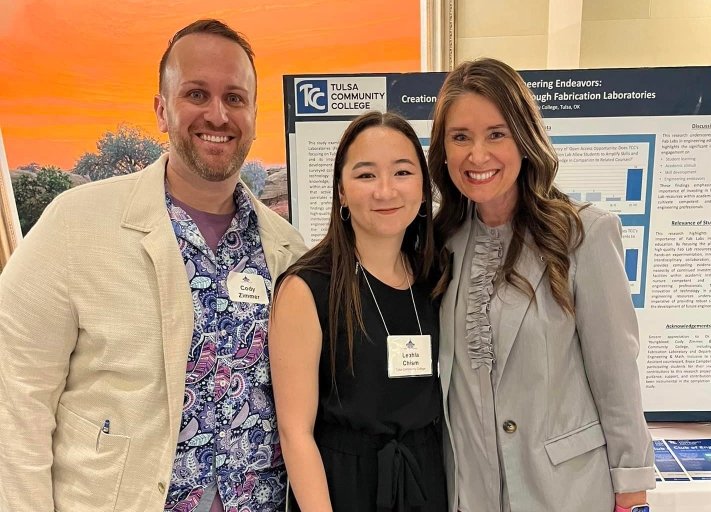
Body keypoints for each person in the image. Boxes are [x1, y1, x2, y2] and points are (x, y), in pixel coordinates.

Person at [0, 19, 306, 512]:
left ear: (253, 114)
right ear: (162, 110)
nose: (217, 114)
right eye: (196, 94)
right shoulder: (75, 226)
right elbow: (15, 400)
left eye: (234, 98)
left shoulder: (287, 250)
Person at [428, 58, 655, 512]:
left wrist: (631, 487)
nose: (477, 155)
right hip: (469, 492)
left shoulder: (584, 234)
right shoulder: (439, 242)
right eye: (460, 137)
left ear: (524, 138)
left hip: (566, 490)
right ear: (443, 149)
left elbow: (616, 375)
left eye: (496, 134)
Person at [269, 111, 447, 512]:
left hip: (426, 481)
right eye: (366, 175)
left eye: (402, 172)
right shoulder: (306, 288)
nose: (385, 191)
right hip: (344, 488)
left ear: (423, 189)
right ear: (342, 192)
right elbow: (295, 433)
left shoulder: (435, 277)